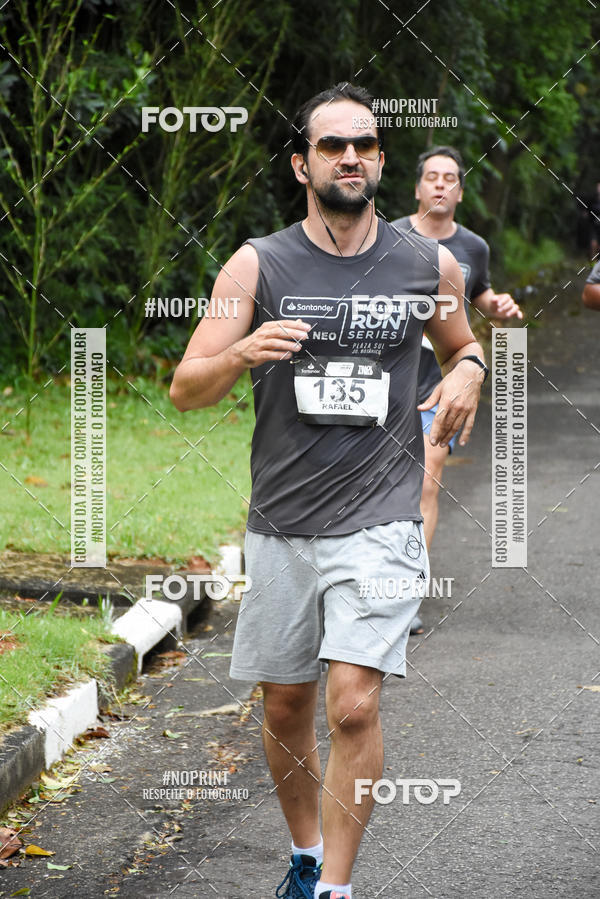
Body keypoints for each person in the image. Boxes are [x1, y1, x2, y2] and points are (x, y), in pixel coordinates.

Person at [170, 85, 486, 899]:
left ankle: (336, 890)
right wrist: (242, 353)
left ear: (382, 160)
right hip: (282, 520)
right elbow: (185, 388)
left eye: (366, 145)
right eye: (332, 146)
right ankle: (306, 853)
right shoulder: (258, 262)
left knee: (350, 706)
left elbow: (462, 344)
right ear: (302, 164)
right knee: (284, 709)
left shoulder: (427, 262)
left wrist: (470, 373)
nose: (351, 157)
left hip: (380, 514)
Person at [392, 146, 522, 577]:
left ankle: (407, 591)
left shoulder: (473, 247)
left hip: (440, 382)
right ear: (417, 188)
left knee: (427, 481)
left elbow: (479, 295)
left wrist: (497, 305)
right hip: (388, 379)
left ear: (461, 193)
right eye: (433, 177)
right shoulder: (387, 238)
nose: (441, 184)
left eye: (450, 178)